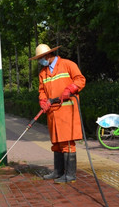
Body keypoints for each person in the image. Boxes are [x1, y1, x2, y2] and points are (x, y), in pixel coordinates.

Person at [29, 44, 86, 183]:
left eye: (40, 58)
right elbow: (42, 90)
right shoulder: (43, 73)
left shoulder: (67, 65)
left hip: (67, 110)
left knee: (67, 142)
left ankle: (70, 174)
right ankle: (58, 171)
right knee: (56, 143)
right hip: (52, 112)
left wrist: (70, 89)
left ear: (47, 56)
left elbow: (80, 79)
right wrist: (43, 101)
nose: (39, 61)